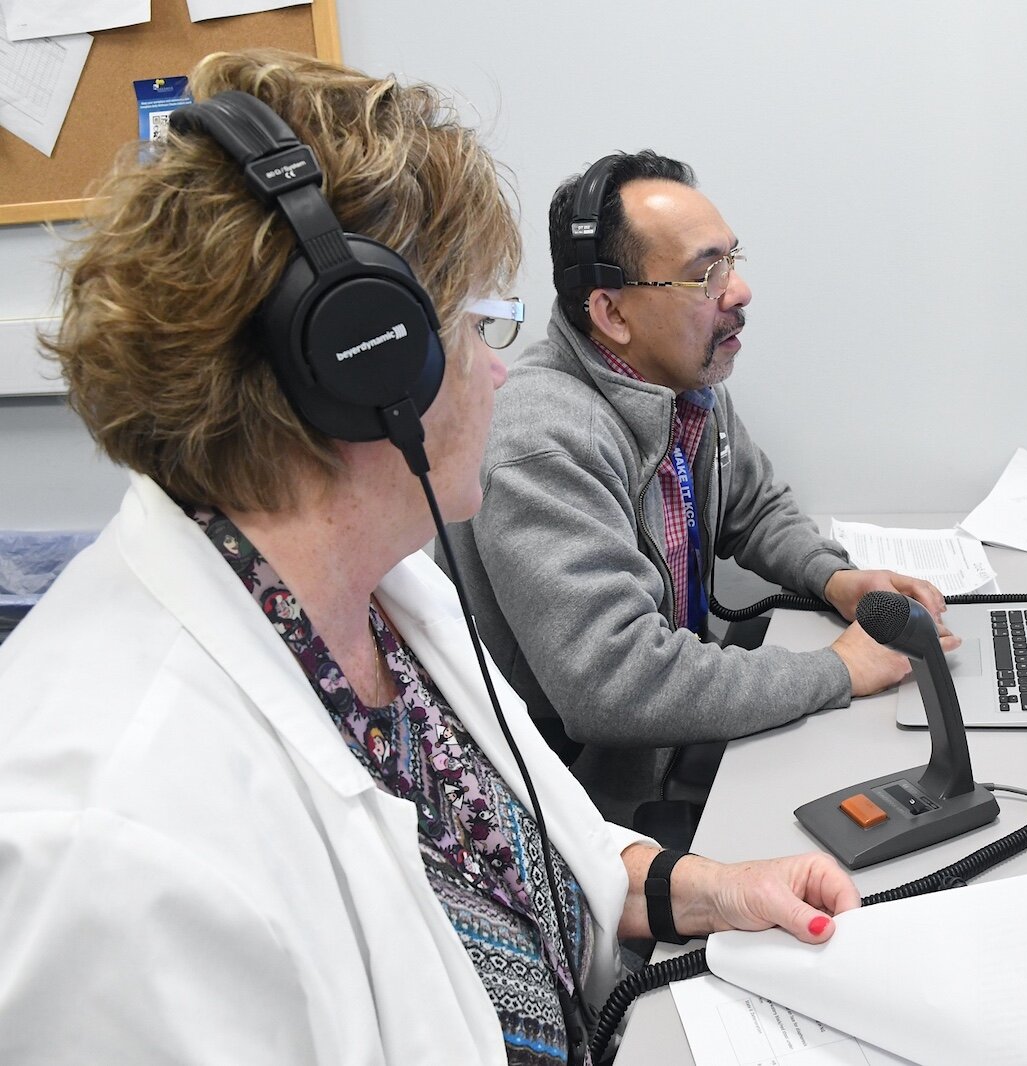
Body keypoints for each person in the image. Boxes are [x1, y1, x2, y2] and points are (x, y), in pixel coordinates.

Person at [0, 51, 858, 1066]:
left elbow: (545, 861)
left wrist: (713, 889)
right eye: (470, 320)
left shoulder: (385, 591)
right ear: (362, 365)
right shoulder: (108, 850)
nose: (500, 364)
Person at [443, 151, 955, 825]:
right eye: (705, 274)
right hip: (593, 807)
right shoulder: (542, 441)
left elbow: (755, 507)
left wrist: (836, 581)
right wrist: (837, 671)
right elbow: (615, 683)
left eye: (732, 261)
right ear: (612, 314)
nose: (738, 291)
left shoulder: (682, 383)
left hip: (677, 750)